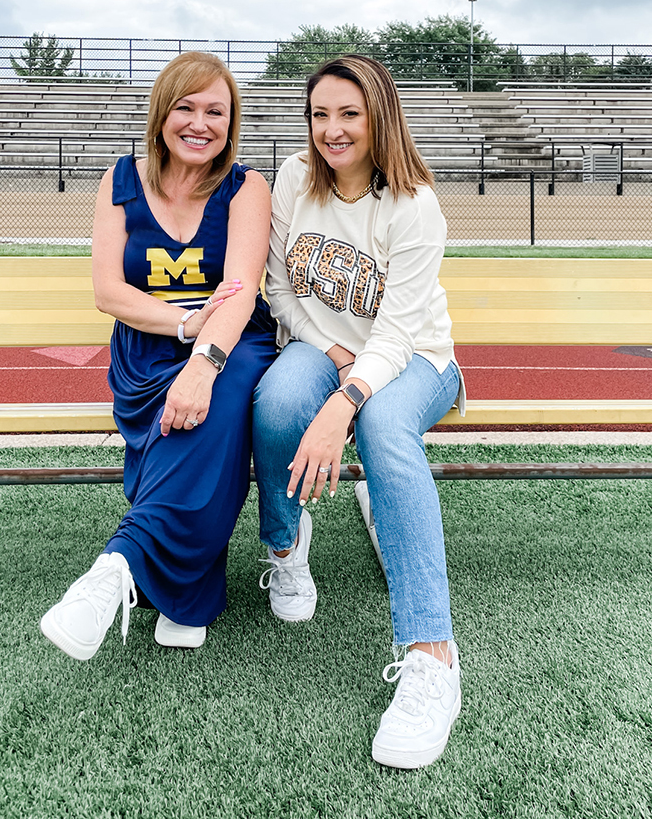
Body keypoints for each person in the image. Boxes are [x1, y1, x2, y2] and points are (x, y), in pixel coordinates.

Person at [252, 55, 465, 769]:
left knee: (378, 425)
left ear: (379, 117)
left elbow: (401, 333)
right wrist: (330, 357)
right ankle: (285, 548)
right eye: (320, 114)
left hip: (416, 361)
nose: (332, 131)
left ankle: (430, 655)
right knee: (279, 400)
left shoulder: (413, 204)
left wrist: (345, 399)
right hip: (327, 347)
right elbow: (279, 291)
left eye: (348, 114)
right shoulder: (291, 178)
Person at [41, 52, 276, 658]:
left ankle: (111, 575)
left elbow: (243, 288)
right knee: (198, 443)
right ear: (161, 111)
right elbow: (107, 292)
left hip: (232, 343)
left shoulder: (247, 187)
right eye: (186, 107)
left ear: (231, 122)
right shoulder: (120, 179)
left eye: (216, 112)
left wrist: (204, 362)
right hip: (145, 355)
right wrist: (182, 325)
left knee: (212, 408)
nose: (200, 123)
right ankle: (186, 594)